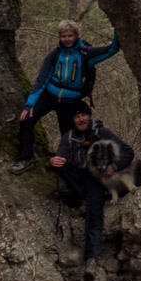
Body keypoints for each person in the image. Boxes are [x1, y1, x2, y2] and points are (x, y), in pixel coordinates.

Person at [13, 20, 120, 175]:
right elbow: (41, 80)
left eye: (70, 36)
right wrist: (29, 105)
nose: (67, 39)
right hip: (50, 95)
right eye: (63, 36)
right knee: (27, 119)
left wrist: (118, 26)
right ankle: (25, 158)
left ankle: (69, 167)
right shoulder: (54, 55)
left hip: (70, 100)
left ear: (76, 36)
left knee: (69, 134)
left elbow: (112, 49)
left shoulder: (86, 54)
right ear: (59, 37)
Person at [51, 105, 122, 269]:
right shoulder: (68, 137)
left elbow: (126, 151)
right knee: (61, 165)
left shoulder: (102, 133)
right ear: (73, 120)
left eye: (83, 115)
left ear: (89, 116)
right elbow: (60, 156)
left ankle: (92, 258)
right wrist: (53, 161)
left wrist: (114, 167)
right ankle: (82, 196)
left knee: (94, 213)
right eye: (77, 117)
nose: (81, 119)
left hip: (98, 178)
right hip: (79, 179)